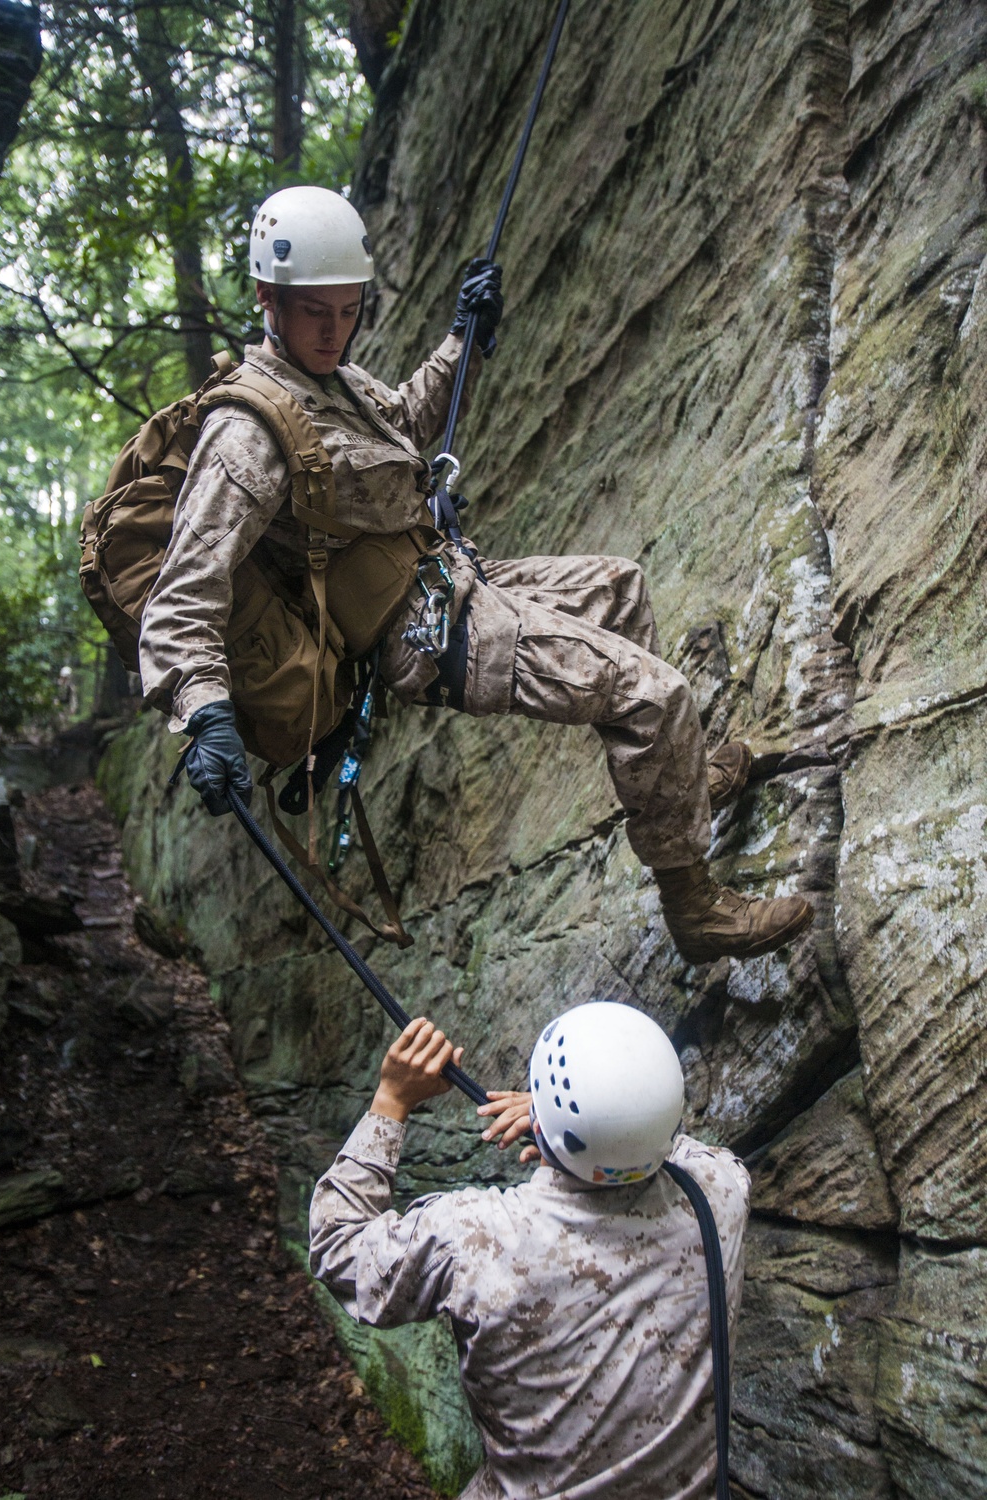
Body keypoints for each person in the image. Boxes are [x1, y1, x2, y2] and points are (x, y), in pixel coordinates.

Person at [138, 184, 814, 965]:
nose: (333, 331)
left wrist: (466, 340)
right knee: (652, 694)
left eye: (348, 309)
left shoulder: (338, 383)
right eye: (314, 313)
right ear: (269, 300)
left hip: (454, 576)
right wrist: (202, 710)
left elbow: (411, 426)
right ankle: (694, 907)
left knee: (620, 585)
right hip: (424, 633)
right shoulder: (245, 432)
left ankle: (677, 781)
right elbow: (185, 589)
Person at [310, 1001, 750, 1499]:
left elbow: (338, 1248)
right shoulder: (722, 1195)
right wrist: (574, 1128)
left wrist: (391, 1100)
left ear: (540, 1124)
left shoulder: (476, 1238)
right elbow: (670, 1144)